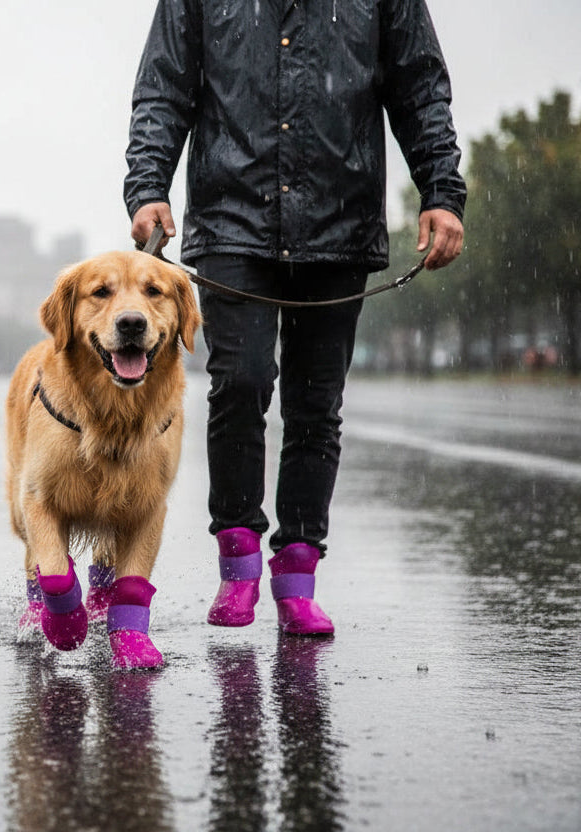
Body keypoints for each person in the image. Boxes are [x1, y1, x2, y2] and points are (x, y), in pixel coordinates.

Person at [125, 0, 465, 635]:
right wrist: (148, 186)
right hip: (231, 222)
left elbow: (419, 86)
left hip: (340, 217)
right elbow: (163, 87)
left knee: (316, 404)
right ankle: (238, 559)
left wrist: (442, 191)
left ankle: (298, 575)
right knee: (241, 381)